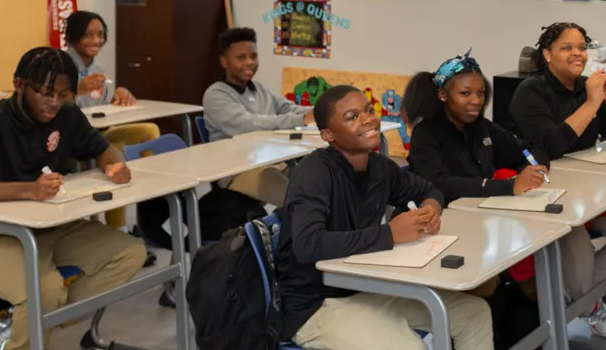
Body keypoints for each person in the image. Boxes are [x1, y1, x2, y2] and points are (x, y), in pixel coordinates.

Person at [0, 47, 143, 350]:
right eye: (46, 94)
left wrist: (114, 165)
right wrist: (26, 190)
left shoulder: (67, 116)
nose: (54, 103)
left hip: (47, 227)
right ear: (19, 84)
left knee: (129, 253)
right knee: (43, 291)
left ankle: (27, 321)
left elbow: (103, 148)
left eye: (63, 95)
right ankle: (32, 319)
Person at [277, 84, 493, 350]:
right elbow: (307, 244)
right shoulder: (314, 173)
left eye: (369, 110)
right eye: (352, 117)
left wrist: (430, 208)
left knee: (474, 314)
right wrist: (390, 234)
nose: (368, 119)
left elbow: (429, 190)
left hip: (364, 287)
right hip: (315, 305)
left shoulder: (379, 166)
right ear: (328, 135)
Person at [403, 50, 578, 344]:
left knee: (526, 274)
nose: (476, 101)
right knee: (500, 284)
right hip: (446, 232)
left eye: (481, 93)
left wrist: (535, 164)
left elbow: (526, 149)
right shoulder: (426, 134)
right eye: (465, 93)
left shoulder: (482, 128)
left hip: (483, 226)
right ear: (443, 95)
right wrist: (508, 185)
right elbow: (440, 184)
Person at [508, 22, 606, 338]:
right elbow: (553, 144)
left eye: (581, 47)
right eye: (566, 47)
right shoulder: (531, 92)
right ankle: (588, 301)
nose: (577, 53)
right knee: (578, 250)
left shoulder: (585, 87)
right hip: (550, 196)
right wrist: (592, 103)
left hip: (590, 189)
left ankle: (579, 296)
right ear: (547, 54)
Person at [62, 10, 160, 231]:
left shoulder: (98, 69)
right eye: (88, 35)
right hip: (73, 140)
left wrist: (120, 92)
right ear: (74, 36)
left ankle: (148, 205)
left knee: (149, 130)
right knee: (116, 150)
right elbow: (51, 102)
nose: (96, 41)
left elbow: (102, 103)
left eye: (100, 35)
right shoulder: (61, 65)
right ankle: (118, 227)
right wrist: (77, 90)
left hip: (99, 132)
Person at [202, 27, 311, 205]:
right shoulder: (215, 95)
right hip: (239, 170)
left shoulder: (259, 88)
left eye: (253, 56)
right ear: (224, 62)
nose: (250, 62)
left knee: (319, 178)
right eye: (241, 57)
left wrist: (324, 110)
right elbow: (249, 125)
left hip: (272, 161)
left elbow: (288, 108)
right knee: (299, 200)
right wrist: (302, 119)